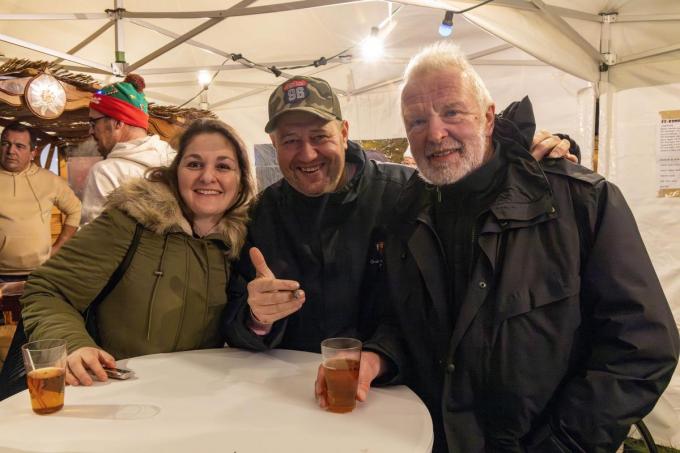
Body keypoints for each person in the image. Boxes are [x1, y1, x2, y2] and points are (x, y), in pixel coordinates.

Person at [332, 42, 680, 452]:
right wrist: (380, 356)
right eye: (417, 120)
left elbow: (642, 345)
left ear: (488, 117)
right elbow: (408, 322)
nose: (435, 133)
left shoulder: (579, 201)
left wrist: (563, 444)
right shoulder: (408, 213)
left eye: (452, 112)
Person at [222, 76, 573, 358]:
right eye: (290, 141)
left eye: (319, 136)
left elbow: (478, 200)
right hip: (291, 392)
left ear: (343, 133)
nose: (307, 153)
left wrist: (522, 155)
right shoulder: (261, 213)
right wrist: (257, 318)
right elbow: (235, 317)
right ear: (273, 144)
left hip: (395, 389)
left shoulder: (407, 193)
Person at [21, 119, 256, 386]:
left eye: (223, 166)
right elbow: (47, 289)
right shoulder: (129, 223)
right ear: (175, 171)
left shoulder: (240, 243)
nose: (207, 177)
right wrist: (74, 345)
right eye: (194, 164)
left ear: (240, 180)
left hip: (199, 391)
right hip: (120, 390)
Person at [81, 74, 176, 224]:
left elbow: (95, 236)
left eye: (93, 123)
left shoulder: (105, 172)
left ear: (118, 122)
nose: (90, 131)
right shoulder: (174, 159)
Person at [0, 122, 81, 282]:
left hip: (40, 273)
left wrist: (58, 248)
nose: (10, 151)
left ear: (33, 152)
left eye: (19, 146)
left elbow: (76, 210)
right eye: (5, 144)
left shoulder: (50, 180)